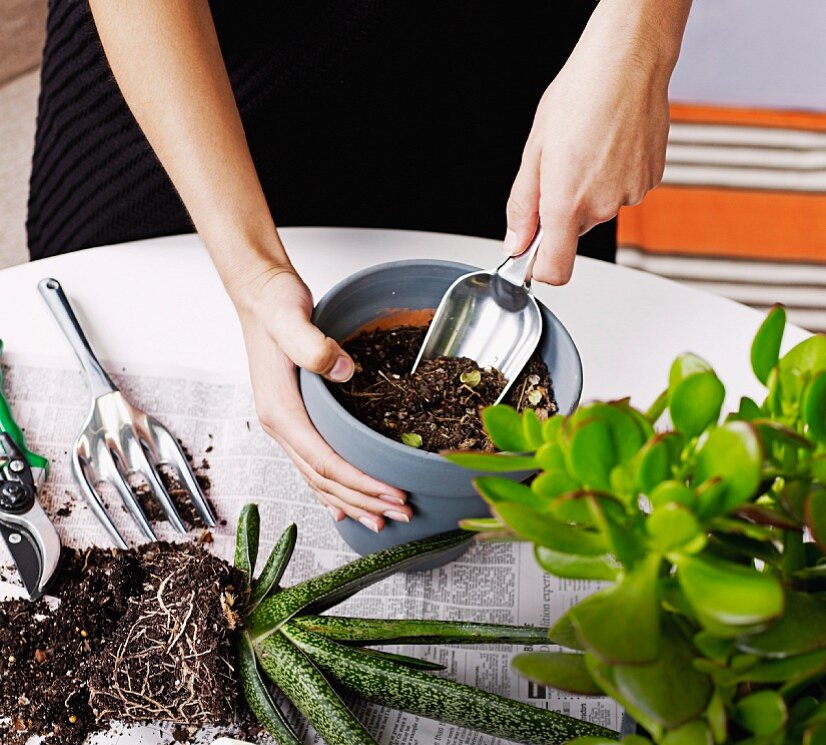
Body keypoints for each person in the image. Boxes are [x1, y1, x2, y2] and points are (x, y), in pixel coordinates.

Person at [27, 0, 692, 532]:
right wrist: (252, 272)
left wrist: (640, 38)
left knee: (558, 263)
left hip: (495, 50)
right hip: (192, 53)